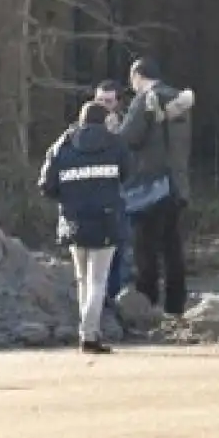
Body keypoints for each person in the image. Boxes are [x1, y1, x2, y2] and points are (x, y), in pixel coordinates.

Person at [38, 100, 131, 354]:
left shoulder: (62, 146)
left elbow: (46, 185)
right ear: (104, 120)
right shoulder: (115, 144)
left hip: (74, 221)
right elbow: (127, 173)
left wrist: (69, 199)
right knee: (98, 281)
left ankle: (89, 331)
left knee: (82, 281)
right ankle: (89, 335)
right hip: (106, 220)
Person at [117, 57, 197, 316]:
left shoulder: (145, 100)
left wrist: (113, 128)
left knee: (145, 247)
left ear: (138, 76)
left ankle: (147, 301)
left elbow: (128, 138)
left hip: (150, 186)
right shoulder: (180, 101)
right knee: (173, 247)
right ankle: (176, 304)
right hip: (177, 184)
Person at [93, 79, 132, 311]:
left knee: (117, 253)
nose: (103, 105)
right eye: (99, 100)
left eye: (108, 101)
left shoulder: (125, 128)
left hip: (119, 198)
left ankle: (115, 300)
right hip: (92, 200)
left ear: (117, 103)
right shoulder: (79, 129)